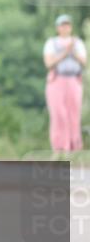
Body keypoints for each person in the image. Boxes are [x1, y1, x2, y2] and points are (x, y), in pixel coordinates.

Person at [43, 14, 86, 157]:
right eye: (62, 25)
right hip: (57, 80)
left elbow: (84, 62)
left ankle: (74, 149)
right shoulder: (51, 43)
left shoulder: (77, 43)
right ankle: (59, 148)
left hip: (73, 80)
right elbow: (49, 63)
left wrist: (72, 51)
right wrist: (65, 52)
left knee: (74, 115)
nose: (65, 27)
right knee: (59, 114)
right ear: (57, 28)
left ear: (71, 27)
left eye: (67, 24)